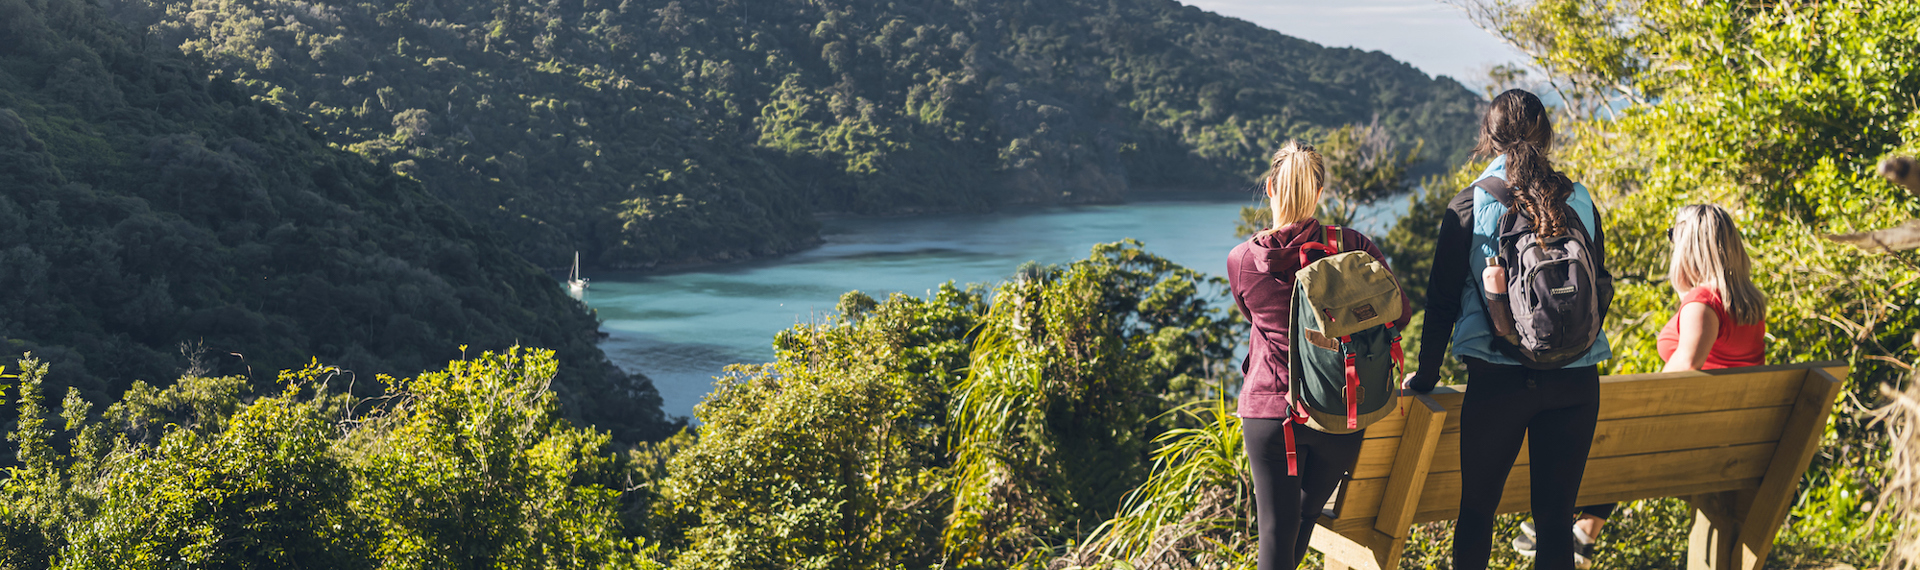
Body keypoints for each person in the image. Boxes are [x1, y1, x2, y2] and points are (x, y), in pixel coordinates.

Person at [1401, 89, 1614, 570]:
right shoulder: (1578, 197)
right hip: (1578, 381)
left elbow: (1441, 303)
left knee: (1477, 513)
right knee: (1556, 520)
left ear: (1488, 138)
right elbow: (1599, 286)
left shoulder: (1470, 205)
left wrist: (1427, 375)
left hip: (1498, 380)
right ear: (1547, 135)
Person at [1512, 203, 1768, 567]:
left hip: (1692, 441)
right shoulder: (1748, 306)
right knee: (1625, 435)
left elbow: (1683, 370)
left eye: (1673, 236)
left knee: (1621, 431)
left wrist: (1638, 413)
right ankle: (1581, 529)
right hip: (1733, 439)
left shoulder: (1703, 304)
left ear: (1690, 245)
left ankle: (1568, 520)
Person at [1230, 140, 1411, 570]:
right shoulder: (1353, 246)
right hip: (1338, 409)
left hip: (1272, 414)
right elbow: (1398, 315)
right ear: (1319, 192)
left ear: (1271, 187)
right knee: (1305, 518)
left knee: (1276, 532)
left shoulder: (1243, 260)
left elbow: (1251, 317)